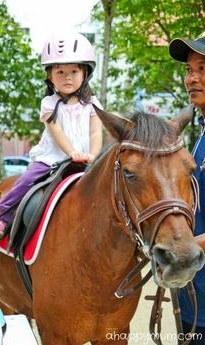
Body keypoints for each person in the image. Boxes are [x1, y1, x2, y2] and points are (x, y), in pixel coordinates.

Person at [0, 32, 103, 239]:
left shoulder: (92, 104)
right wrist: (72, 152)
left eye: (74, 71)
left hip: (86, 160)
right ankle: (2, 217)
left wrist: (93, 155)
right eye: (60, 72)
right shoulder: (49, 104)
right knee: (25, 181)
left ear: (85, 73)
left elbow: (95, 132)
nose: (68, 77)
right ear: (50, 75)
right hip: (52, 160)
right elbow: (55, 131)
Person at [169, 32, 205, 344]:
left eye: (203, 69)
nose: (192, 78)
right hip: (194, 298)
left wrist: (179, 248)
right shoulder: (199, 140)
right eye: (188, 70)